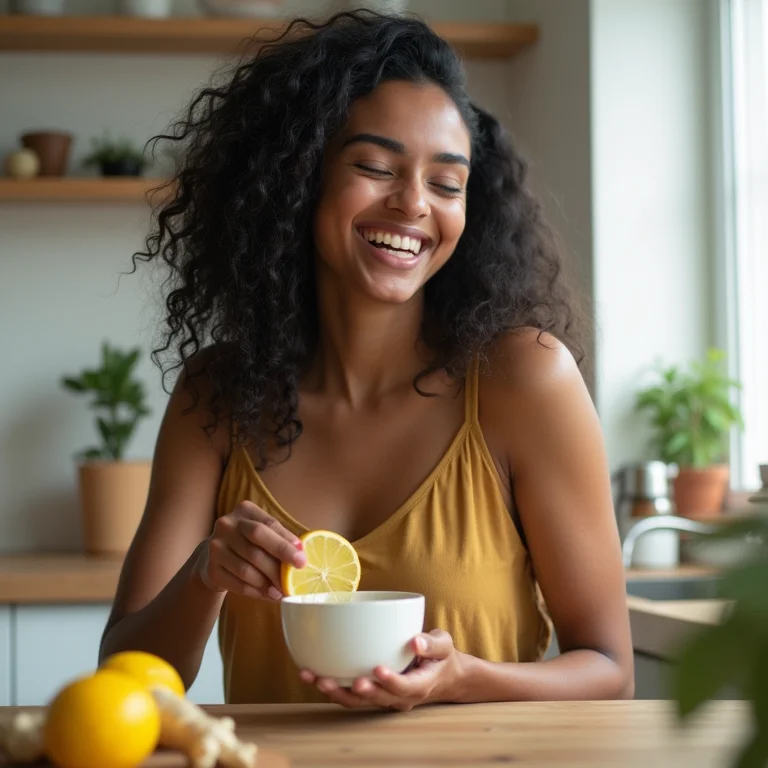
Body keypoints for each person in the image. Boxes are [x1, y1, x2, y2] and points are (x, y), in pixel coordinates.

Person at [99, 10, 634, 709]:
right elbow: (126, 670)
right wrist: (207, 574)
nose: (413, 204)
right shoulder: (217, 397)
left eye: (446, 183)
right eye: (376, 167)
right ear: (298, 177)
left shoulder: (524, 380)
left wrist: (462, 679)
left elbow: (609, 672)